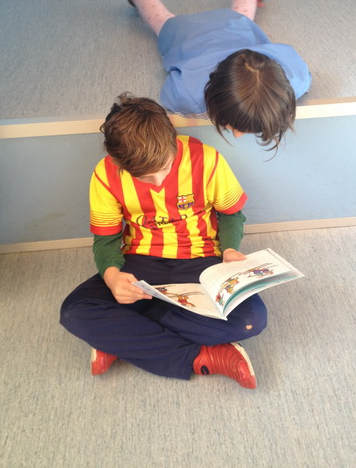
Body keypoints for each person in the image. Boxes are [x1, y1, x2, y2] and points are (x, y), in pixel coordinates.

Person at [60, 93, 267, 388]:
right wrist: (112, 276)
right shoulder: (104, 174)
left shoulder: (206, 159)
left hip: (202, 260)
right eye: (145, 177)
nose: (157, 182)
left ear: (173, 141)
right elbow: (106, 240)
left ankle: (120, 338)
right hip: (139, 262)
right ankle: (201, 356)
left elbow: (231, 214)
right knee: (74, 312)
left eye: (165, 169)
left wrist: (230, 249)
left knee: (250, 319)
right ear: (117, 161)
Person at [121, 0, 311, 152]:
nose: (237, 135)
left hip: (234, 24)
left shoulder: (295, 81)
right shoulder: (189, 96)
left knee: (239, 14)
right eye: (235, 126)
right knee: (162, 20)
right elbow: (168, 95)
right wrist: (203, 112)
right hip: (190, 30)